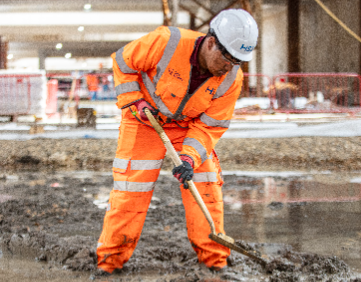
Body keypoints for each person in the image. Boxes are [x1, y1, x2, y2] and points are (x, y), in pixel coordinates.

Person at [96, 9, 258, 275]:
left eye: (237, 61)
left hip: (188, 126)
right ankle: (109, 263)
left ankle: (214, 262)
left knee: (206, 187)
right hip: (145, 120)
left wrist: (189, 158)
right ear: (210, 42)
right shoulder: (166, 41)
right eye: (227, 57)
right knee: (130, 192)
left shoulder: (231, 78)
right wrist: (133, 100)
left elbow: (210, 125)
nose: (229, 66)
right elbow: (123, 63)